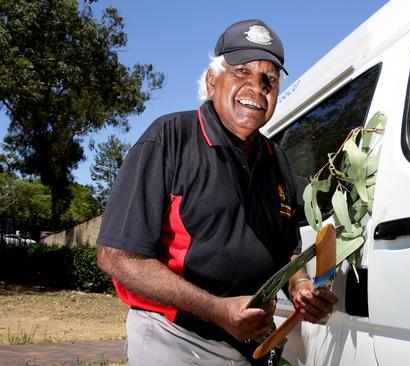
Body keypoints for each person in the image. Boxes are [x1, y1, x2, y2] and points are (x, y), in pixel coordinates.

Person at [96, 19, 337, 366]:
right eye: (241, 72)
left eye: (269, 79)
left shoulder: (276, 159)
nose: (256, 88)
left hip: (247, 343)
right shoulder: (169, 138)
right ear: (212, 81)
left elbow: (285, 252)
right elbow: (117, 255)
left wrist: (301, 289)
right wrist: (215, 309)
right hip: (173, 337)